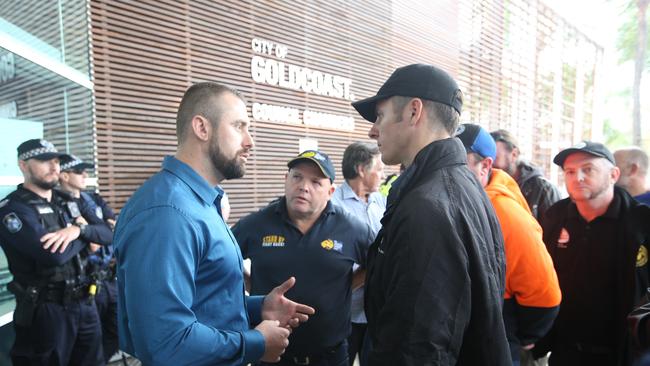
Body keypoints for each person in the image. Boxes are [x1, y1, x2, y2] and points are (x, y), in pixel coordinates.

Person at [113, 82, 315, 365]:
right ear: (202, 128)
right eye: (239, 126)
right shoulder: (168, 214)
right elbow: (165, 342)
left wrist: (259, 307)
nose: (250, 142)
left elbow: (203, 301)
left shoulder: (200, 203)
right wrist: (257, 343)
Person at [351, 63, 511, 365]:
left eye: (380, 116)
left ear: (414, 111)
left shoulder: (428, 208)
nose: (373, 129)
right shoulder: (460, 186)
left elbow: (418, 349)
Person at [232, 150, 373, 366]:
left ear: (330, 191)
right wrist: (251, 285)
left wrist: (346, 285)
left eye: (316, 182)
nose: (304, 187)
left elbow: (377, 263)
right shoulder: (256, 224)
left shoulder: (352, 228)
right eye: (297, 177)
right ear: (285, 180)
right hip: (272, 356)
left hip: (330, 357)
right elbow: (221, 262)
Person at [534, 141, 650, 366]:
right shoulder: (555, 217)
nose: (577, 177)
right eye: (570, 171)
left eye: (588, 169)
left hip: (622, 352)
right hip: (564, 350)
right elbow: (539, 274)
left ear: (613, 175)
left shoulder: (641, 222)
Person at [0, 139, 113, 365]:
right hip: (46, 309)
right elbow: (52, 255)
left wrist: (76, 230)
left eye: (56, 161)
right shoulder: (14, 209)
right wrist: (85, 234)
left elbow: (109, 233)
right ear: (23, 165)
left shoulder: (67, 201)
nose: (54, 167)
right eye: (43, 161)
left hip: (85, 302)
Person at [456, 123, 561, 366]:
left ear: (485, 166)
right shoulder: (463, 200)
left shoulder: (504, 212)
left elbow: (544, 294)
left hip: (493, 339)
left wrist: (518, 335)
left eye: (460, 163)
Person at [58, 153, 119, 362]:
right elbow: (89, 241)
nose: (85, 175)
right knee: (89, 341)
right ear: (64, 176)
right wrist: (93, 234)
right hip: (86, 278)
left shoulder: (91, 199)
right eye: (79, 171)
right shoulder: (58, 203)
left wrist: (85, 230)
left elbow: (111, 230)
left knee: (117, 329)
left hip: (108, 275)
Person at [331, 141, 386, 366]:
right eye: (379, 168)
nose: (383, 174)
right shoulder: (333, 205)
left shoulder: (380, 201)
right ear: (362, 170)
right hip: (345, 312)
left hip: (376, 310)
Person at [490, 129, 561, 221]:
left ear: (514, 154)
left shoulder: (543, 189)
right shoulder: (486, 185)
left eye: (494, 157)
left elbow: (553, 232)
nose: (488, 163)